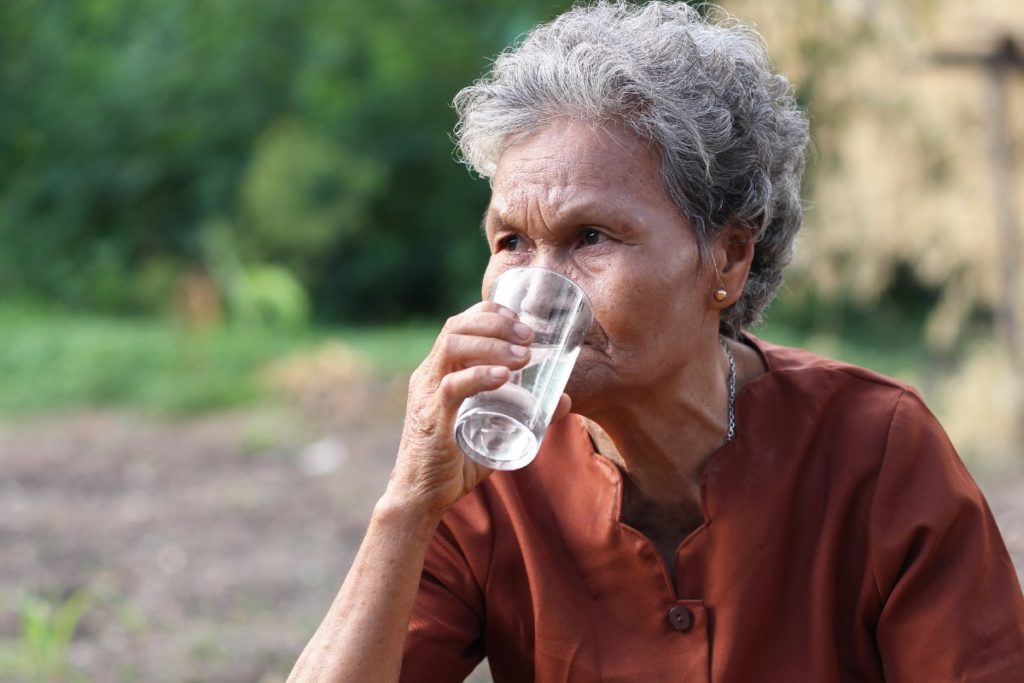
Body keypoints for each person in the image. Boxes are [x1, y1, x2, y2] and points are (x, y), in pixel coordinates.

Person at [288, 2, 1024, 681]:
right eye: (511, 241)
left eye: (591, 237)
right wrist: (408, 502)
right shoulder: (486, 475)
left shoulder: (877, 451)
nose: (541, 293)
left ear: (728, 256)